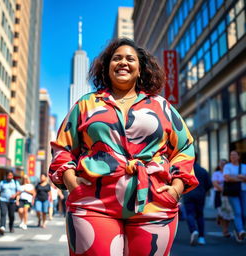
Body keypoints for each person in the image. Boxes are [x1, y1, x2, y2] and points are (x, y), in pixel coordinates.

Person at [49, 38, 199, 256]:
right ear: (107, 67)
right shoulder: (86, 104)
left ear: (140, 69)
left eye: (130, 59)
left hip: (154, 203)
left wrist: (175, 189)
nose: (123, 63)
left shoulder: (161, 106)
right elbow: (63, 147)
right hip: (93, 203)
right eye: (116, 58)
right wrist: (72, 183)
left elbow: (184, 147)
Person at [183, 155, 212, 246]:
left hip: (188, 194)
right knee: (200, 215)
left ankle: (193, 230)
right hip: (200, 195)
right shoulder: (203, 171)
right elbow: (209, 184)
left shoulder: (186, 170)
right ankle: (201, 237)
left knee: (190, 214)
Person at [223, 150, 246, 242]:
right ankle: (240, 230)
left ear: (238, 156)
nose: (232, 156)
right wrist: (241, 177)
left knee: (244, 213)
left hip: (244, 191)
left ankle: (238, 231)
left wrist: (234, 177)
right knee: (237, 211)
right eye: (231, 155)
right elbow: (227, 178)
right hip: (232, 192)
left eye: (234, 155)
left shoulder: (244, 166)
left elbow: (231, 178)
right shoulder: (227, 166)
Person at [212, 159, 233, 237]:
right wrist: (224, 190)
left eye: (224, 164)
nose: (222, 165)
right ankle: (225, 230)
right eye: (221, 164)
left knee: (228, 213)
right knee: (222, 212)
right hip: (219, 194)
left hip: (228, 195)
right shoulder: (216, 173)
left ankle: (225, 229)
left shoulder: (229, 173)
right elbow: (215, 184)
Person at [0, 171, 21, 235]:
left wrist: (15, 195)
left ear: (12, 176)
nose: (9, 176)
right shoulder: (2, 182)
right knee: (3, 213)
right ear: (6, 176)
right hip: (3, 200)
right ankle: (2, 227)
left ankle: (11, 226)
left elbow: (19, 191)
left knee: (11, 215)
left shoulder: (15, 182)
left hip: (12, 202)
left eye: (11, 175)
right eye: (8, 175)